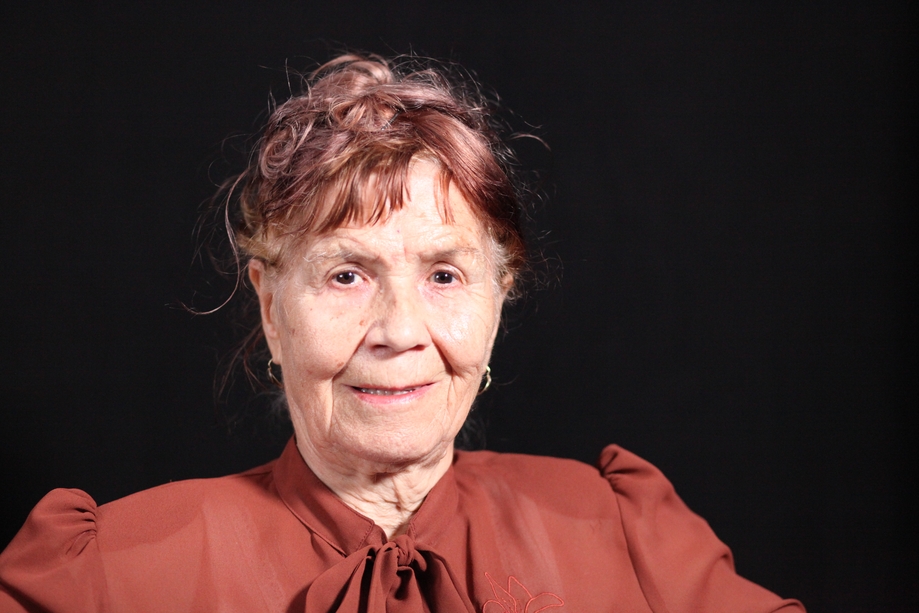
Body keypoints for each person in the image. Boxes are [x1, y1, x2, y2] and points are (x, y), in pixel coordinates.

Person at [0, 54, 805, 612]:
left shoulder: (628, 533)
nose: (398, 330)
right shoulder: (110, 573)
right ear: (271, 308)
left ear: (499, 299)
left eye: (444, 275)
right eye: (346, 274)